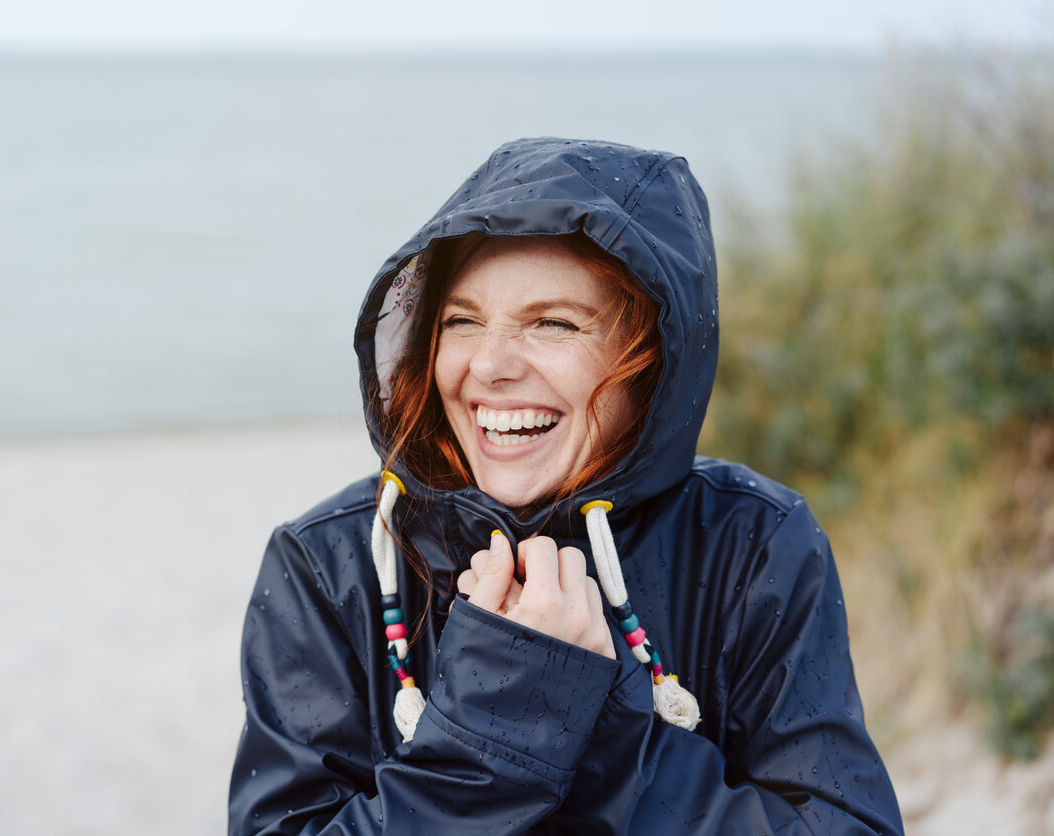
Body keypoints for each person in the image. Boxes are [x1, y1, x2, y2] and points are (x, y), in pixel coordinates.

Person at [228, 137, 904, 835]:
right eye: (460, 320)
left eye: (552, 323)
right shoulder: (329, 564)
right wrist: (484, 738)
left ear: (653, 358)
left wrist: (607, 734)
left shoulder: (751, 544)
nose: (488, 364)